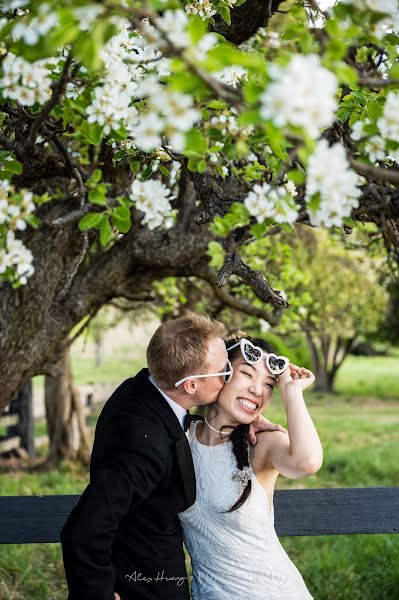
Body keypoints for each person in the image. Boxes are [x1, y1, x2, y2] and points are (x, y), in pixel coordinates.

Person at [60, 313, 286, 600]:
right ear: (191, 386)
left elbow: (172, 424)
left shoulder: (143, 388)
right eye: (224, 372)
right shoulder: (144, 449)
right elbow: (84, 530)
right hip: (145, 587)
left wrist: (239, 420)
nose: (229, 376)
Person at [179, 335, 323, 599]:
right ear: (220, 374)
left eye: (269, 384)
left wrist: (291, 391)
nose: (258, 390)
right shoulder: (181, 439)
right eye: (247, 374)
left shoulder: (262, 444)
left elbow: (308, 462)